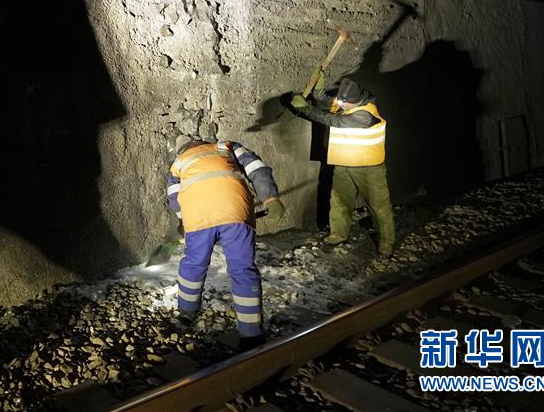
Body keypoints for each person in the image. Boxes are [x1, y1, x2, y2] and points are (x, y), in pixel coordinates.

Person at [166, 136, 283, 349]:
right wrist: (270, 198)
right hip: (235, 208)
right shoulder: (225, 147)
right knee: (242, 268)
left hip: (198, 215)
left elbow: (174, 197)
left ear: (182, 150)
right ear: (202, 142)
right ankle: (251, 333)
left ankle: (186, 313)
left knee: (194, 264)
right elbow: (257, 169)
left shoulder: (179, 162)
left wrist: (184, 220)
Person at [290, 76, 395, 256]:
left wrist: (305, 108)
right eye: (340, 101)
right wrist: (318, 89)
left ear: (354, 101)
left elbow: (332, 120)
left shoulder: (364, 115)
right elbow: (327, 102)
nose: (340, 104)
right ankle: (338, 234)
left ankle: (386, 242)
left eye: (343, 103)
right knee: (339, 201)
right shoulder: (348, 102)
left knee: (378, 205)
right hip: (343, 164)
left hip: (368, 167)